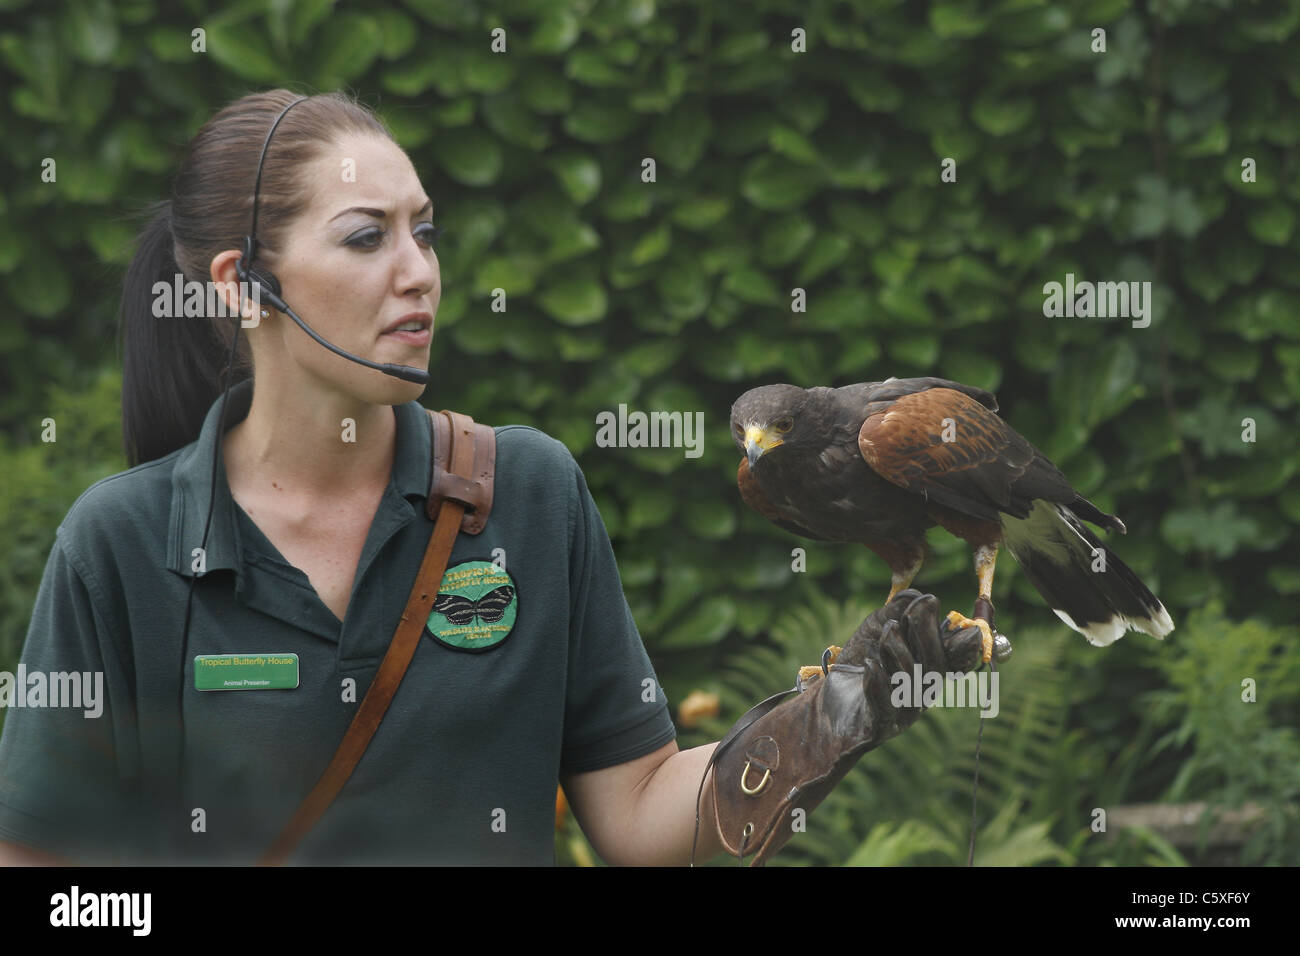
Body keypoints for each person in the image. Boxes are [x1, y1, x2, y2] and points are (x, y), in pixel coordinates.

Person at [0, 89, 986, 866]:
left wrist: (821, 725)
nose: (420, 270)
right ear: (241, 285)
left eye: (424, 230)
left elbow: (636, 811)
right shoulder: (122, 541)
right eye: (365, 235)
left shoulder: (529, 492)